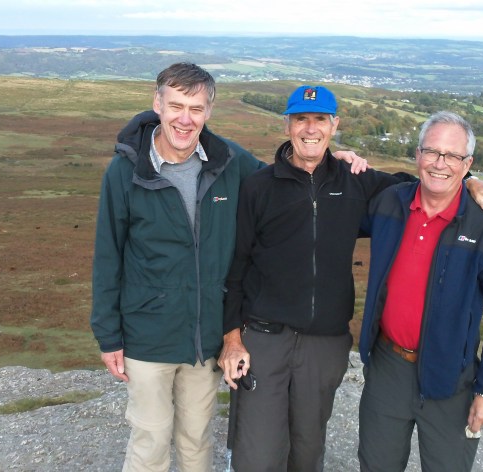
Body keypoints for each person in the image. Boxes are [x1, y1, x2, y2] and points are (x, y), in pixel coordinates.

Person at [89, 64, 367, 472]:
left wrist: (330, 158)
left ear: (209, 111)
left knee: (197, 438)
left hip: (206, 334)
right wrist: (108, 335)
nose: (186, 119)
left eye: (197, 108)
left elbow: (286, 177)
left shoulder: (229, 161)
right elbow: (108, 254)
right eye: (177, 106)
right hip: (148, 332)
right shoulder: (126, 171)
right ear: (157, 104)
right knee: (150, 438)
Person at [218, 88, 483, 472]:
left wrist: (471, 181)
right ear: (287, 124)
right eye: (301, 119)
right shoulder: (259, 186)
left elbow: (427, 180)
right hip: (264, 337)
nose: (310, 128)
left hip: (325, 343)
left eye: (320, 119)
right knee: (256, 456)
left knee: (307, 451)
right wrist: (232, 338)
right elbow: (236, 266)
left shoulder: (357, 183)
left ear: (334, 125)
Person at [357, 111, 483, 472]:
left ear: (468, 164)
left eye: (452, 156)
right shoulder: (390, 202)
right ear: (417, 155)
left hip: (452, 378)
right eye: (432, 152)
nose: (440, 163)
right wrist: (338, 159)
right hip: (388, 367)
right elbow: (335, 198)